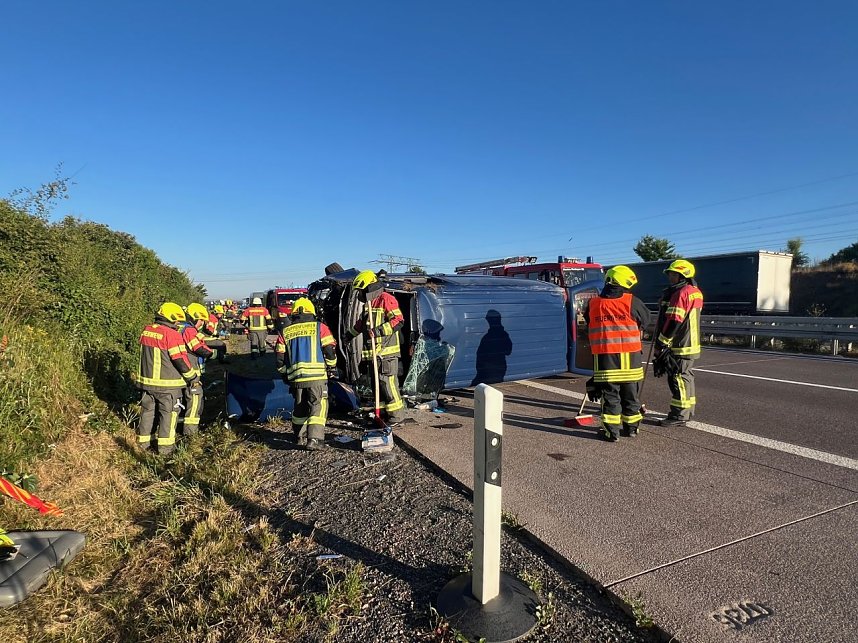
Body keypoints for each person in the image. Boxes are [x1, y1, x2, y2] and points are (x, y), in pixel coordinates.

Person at [583, 265, 650, 441]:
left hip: (606, 360)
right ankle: (632, 429)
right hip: (631, 360)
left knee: (610, 398)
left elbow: (588, 322)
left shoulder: (593, 303)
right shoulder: (632, 301)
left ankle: (612, 433)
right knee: (631, 397)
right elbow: (645, 320)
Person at [135, 302, 199, 455]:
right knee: (168, 415)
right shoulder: (172, 335)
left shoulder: (147, 331)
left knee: (148, 412)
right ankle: (166, 449)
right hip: (167, 386)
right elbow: (180, 360)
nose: (178, 324)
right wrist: (193, 377)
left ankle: (143, 444)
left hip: (146, 384)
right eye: (177, 321)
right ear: (171, 318)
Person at [275, 297, 337, 450]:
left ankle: (299, 437)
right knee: (318, 406)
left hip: (296, 378)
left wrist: (285, 375)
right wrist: (332, 367)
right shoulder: (320, 327)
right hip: (316, 378)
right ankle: (314, 440)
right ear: (312, 311)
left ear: (293, 313)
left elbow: (279, 359)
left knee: (300, 407)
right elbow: (329, 350)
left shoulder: (285, 332)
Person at [348, 270, 405, 424]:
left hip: (386, 353)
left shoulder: (386, 299)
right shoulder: (369, 303)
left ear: (369, 288)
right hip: (373, 354)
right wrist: (349, 335)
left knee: (388, 384)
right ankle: (382, 415)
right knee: (377, 386)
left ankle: (396, 416)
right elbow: (362, 324)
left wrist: (378, 331)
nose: (360, 294)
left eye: (361, 290)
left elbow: (398, 321)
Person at [655, 259, 704, 426]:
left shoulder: (681, 293)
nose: (670, 277)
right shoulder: (695, 291)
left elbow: (675, 320)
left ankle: (679, 416)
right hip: (691, 342)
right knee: (686, 377)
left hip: (681, 343)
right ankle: (688, 411)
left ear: (683, 274)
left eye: (673, 274)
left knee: (677, 378)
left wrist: (662, 341)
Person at [179, 303, 215, 434]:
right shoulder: (189, 330)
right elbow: (197, 348)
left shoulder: (178, 327)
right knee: (194, 399)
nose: (201, 324)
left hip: (177, 371)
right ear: (195, 318)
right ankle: (190, 432)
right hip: (190, 370)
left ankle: (179, 425)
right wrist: (212, 353)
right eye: (201, 321)